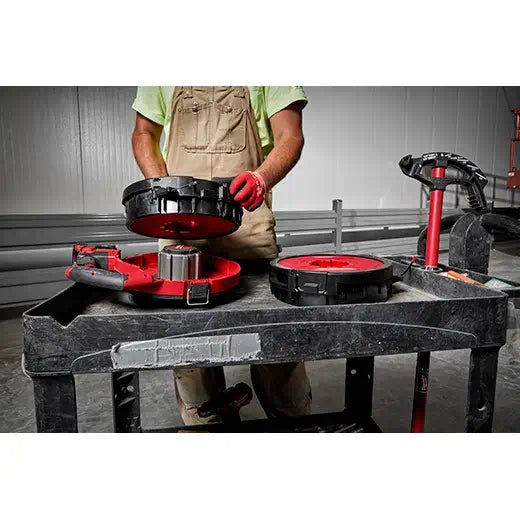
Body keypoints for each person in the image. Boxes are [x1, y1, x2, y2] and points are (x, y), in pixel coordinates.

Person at [131, 86, 311, 425]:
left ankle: (292, 427)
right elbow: (144, 133)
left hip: (247, 224)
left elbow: (290, 136)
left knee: (276, 347)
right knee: (190, 353)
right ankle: (208, 427)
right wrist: (164, 189)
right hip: (181, 228)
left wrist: (261, 179)